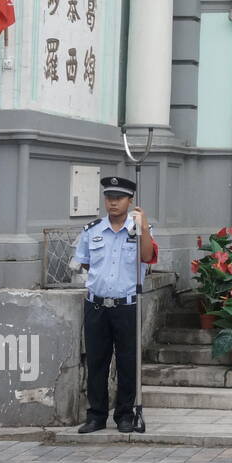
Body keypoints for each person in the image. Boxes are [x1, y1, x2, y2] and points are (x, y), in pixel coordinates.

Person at [71, 176, 158, 434]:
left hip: (127, 305)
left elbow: (146, 257)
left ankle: (124, 414)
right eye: (109, 198)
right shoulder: (92, 230)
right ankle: (96, 415)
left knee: (127, 361)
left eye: (119, 198)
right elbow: (85, 262)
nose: (113, 203)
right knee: (97, 361)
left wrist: (143, 226)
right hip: (96, 305)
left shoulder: (140, 229)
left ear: (130, 201)